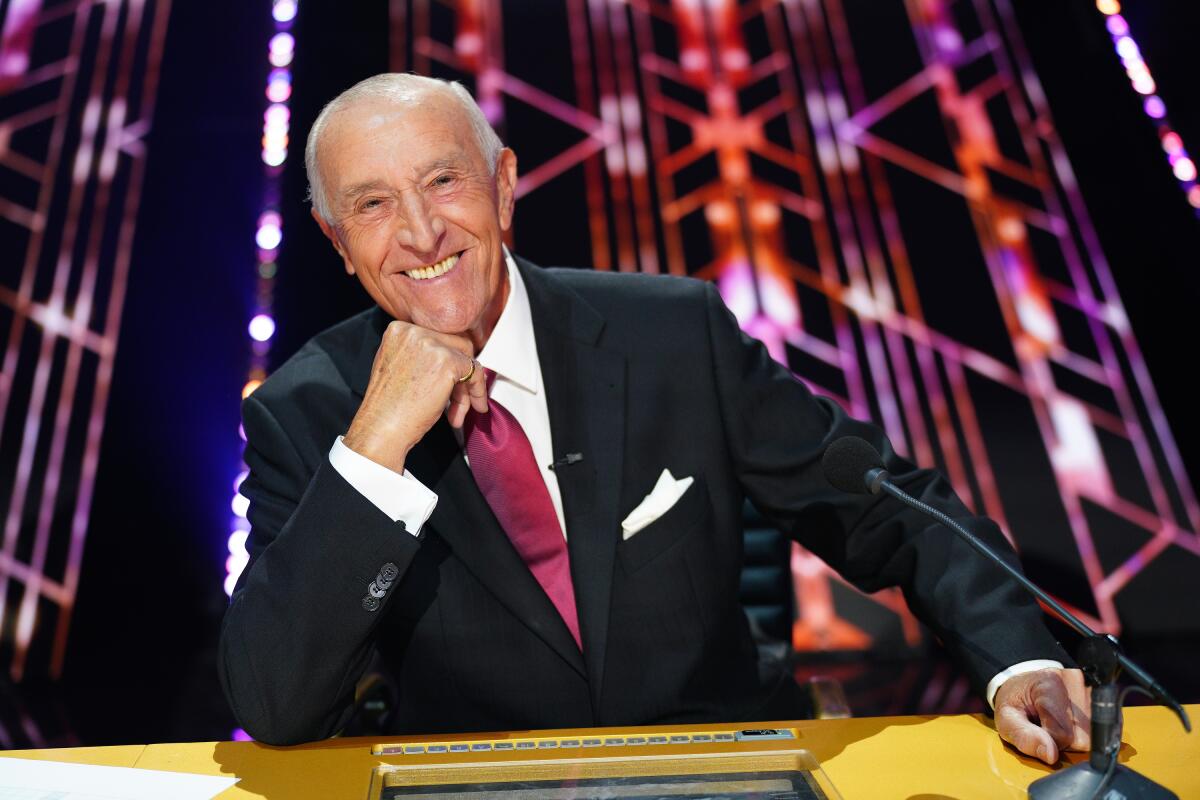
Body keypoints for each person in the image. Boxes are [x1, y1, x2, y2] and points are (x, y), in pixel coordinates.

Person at [218, 73, 1091, 763]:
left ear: (504, 184)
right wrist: (374, 449)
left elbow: (892, 512)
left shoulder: (673, 333)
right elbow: (277, 705)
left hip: (727, 767)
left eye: (443, 182)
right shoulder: (308, 412)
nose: (418, 232)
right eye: (371, 205)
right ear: (338, 245)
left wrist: (1020, 658)